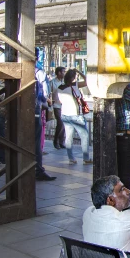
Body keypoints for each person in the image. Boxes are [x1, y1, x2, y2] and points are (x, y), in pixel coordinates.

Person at [57, 69, 91, 165]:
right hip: (75, 115)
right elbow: (87, 81)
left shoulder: (60, 87)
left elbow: (59, 101)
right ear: (73, 78)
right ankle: (86, 158)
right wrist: (80, 72)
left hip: (65, 114)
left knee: (68, 137)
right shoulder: (75, 85)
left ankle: (71, 158)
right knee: (84, 136)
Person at [34, 51, 56, 182]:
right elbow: (46, 93)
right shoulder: (39, 72)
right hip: (35, 109)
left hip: (18, 109)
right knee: (36, 142)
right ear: (36, 57)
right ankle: (38, 170)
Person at [50, 67, 67, 149]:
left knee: (63, 123)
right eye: (63, 72)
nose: (64, 73)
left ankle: (61, 141)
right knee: (60, 122)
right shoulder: (52, 82)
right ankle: (55, 140)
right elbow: (49, 93)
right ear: (59, 73)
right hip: (56, 105)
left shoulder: (65, 82)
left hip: (64, 105)